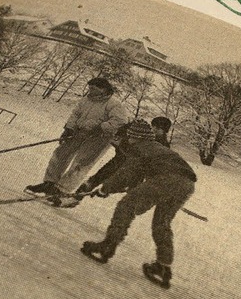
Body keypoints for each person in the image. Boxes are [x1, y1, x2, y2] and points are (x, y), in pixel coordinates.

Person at [80, 119, 197, 289]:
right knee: (161, 223)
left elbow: (126, 174)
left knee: (125, 206)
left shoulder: (140, 148)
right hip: (187, 184)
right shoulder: (158, 147)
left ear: (135, 137)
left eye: (130, 137)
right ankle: (163, 265)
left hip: (167, 179)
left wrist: (105, 189)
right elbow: (136, 179)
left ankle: (108, 245)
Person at [25, 77, 128, 197]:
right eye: (89, 88)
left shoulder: (114, 104)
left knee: (81, 163)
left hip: (99, 138)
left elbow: (120, 121)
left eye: (93, 88)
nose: (90, 91)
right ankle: (50, 183)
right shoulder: (86, 99)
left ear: (103, 89)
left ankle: (62, 189)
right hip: (79, 132)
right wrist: (69, 128)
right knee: (60, 154)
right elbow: (76, 113)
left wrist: (101, 127)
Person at [53, 116, 173, 208]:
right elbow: (123, 140)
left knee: (126, 195)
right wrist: (121, 136)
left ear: (164, 131)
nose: (154, 129)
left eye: (158, 129)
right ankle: (73, 199)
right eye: (153, 126)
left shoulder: (162, 146)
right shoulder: (142, 133)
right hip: (118, 162)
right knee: (95, 179)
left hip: (133, 173)